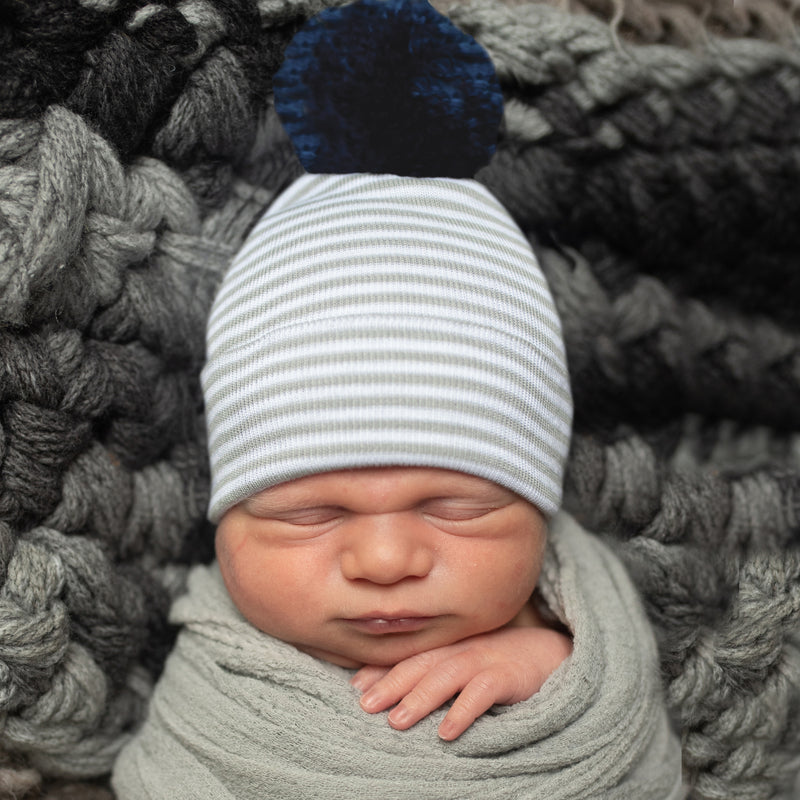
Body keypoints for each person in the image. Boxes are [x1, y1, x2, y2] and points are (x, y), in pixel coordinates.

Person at [112, 1, 684, 797]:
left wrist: (554, 666)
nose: (385, 562)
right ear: (226, 519)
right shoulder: (219, 678)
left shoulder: (574, 635)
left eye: (457, 508)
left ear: (539, 506)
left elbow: (628, 730)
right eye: (310, 514)